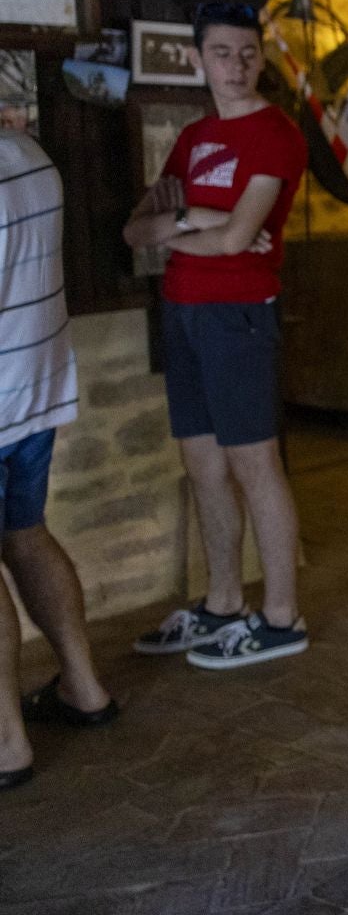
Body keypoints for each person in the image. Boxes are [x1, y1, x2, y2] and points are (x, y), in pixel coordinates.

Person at [122, 1, 309, 668]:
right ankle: (223, 600)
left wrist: (188, 226)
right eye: (223, 53)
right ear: (198, 59)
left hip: (238, 313)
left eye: (248, 53)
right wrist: (195, 218)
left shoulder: (276, 133)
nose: (237, 65)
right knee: (203, 466)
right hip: (183, 311)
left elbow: (237, 240)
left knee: (255, 464)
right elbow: (135, 230)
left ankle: (283, 616)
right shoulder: (194, 138)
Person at [0, 129, 117, 791]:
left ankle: (6, 743)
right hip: (34, 392)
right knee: (25, 533)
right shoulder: (31, 155)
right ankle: (84, 687)